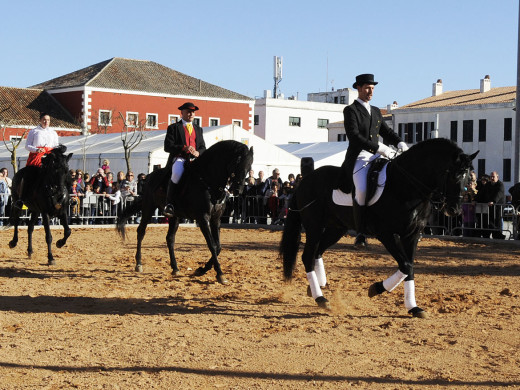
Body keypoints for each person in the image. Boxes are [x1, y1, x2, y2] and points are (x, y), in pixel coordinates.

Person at [337, 74, 408, 249]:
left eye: (373, 88)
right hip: (359, 156)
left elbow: (386, 132)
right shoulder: (350, 110)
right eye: (367, 88)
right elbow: (355, 136)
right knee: (361, 189)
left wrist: (400, 142)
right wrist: (378, 148)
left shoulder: (375, 111)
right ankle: (360, 232)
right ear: (359, 89)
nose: (370, 92)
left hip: (377, 155)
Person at [163, 102, 206, 217]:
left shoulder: (198, 129)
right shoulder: (173, 127)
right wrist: (183, 148)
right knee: (176, 174)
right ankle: (169, 204)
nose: (191, 114)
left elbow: (202, 147)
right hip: (180, 158)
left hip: (195, 160)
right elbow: (167, 146)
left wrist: (198, 152)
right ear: (182, 113)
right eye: (189, 111)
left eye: (193, 112)